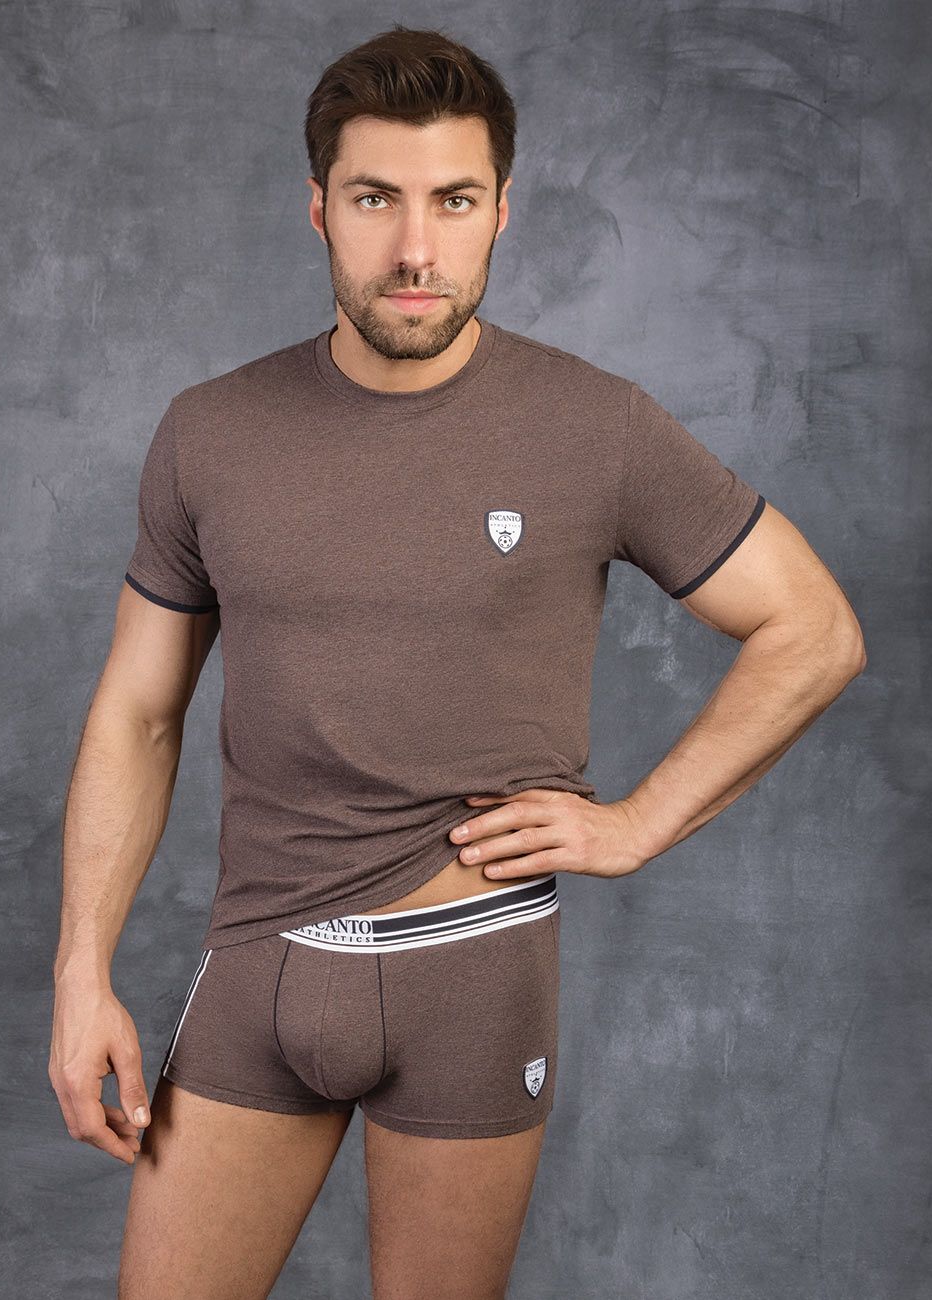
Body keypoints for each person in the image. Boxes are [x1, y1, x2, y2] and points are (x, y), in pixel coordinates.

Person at [48, 25, 866, 1300]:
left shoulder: (594, 425)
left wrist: (640, 822)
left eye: (455, 201)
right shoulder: (209, 432)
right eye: (377, 198)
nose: (416, 249)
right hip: (261, 960)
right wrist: (80, 972)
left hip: (472, 972)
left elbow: (814, 628)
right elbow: (139, 713)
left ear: (502, 212)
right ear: (319, 208)